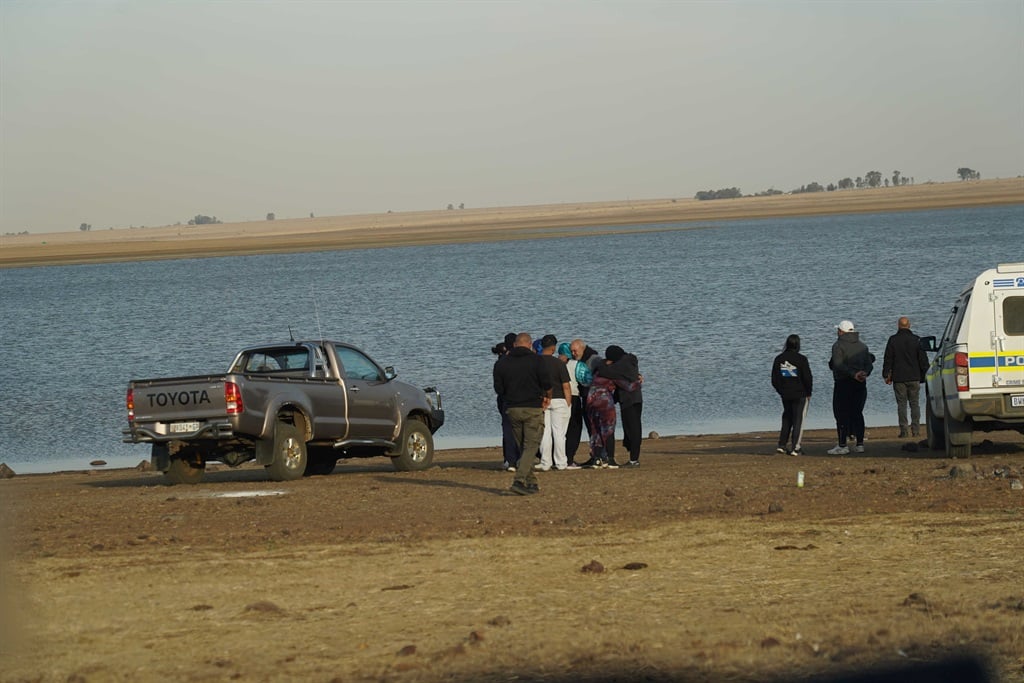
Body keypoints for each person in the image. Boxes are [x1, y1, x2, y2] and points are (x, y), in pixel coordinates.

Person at [493, 333, 551, 494]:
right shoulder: (537, 360)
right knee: (531, 445)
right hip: (532, 407)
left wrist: (509, 398)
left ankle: (531, 482)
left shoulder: (501, 363)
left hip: (512, 408)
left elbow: (499, 389)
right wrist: (547, 397)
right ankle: (519, 481)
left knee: (523, 446)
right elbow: (546, 383)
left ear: (514, 345)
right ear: (530, 344)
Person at [583, 356, 642, 468]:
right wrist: (638, 382)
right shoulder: (612, 373)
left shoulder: (597, 371)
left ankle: (597, 459)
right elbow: (628, 387)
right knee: (608, 430)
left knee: (596, 431)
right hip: (604, 402)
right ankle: (610, 460)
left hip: (591, 401)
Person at [828, 320, 875, 455]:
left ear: (841, 332)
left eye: (838, 330)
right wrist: (864, 373)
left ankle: (843, 445)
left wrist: (853, 374)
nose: (837, 332)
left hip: (843, 383)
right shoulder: (862, 346)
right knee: (857, 413)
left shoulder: (838, 346)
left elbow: (838, 365)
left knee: (841, 413)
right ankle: (860, 444)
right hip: (860, 383)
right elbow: (869, 364)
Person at [882, 317, 930, 438]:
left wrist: (886, 374)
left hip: (899, 378)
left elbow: (888, 359)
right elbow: (923, 360)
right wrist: (925, 375)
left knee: (901, 404)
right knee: (915, 404)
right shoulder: (916, 340)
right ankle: (916, 430)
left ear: (898, 326)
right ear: (909, 325)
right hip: (914, 377)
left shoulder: (893, 340)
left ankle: (904, 431)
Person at [600, 345, 644, 467]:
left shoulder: (620, 365)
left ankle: (634, 460)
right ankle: (634, 458)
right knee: (634, 427)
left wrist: (604, 362)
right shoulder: (631, 360)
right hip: (637, 398)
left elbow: (604, 371)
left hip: (628, 400)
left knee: (632, 429)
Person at [771, 334, 813, 456]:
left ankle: (782, 445)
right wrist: (809, 392)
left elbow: (774, 379)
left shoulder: (779, 359)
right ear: (798, 345)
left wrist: (781, 391)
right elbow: (807, 377)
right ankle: (796, 447)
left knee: (787, 417)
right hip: (800, 394)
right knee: (798, 419)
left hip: (786, 394)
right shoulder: (801, 359)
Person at [537, 334, 573, 471]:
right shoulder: (558, 363)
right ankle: (561, 462)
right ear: (553, 348)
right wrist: (568, 402)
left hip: (542, 399)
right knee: (559, 433)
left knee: (545, 433)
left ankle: (546, 462)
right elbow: (566, 385)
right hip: (559, 399)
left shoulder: (536, 362)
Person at [492, 333, 520, 471]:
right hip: (520, 399)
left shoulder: (500, 363)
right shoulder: (522, 360)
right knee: (521, 429)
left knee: (507, 429)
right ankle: (519, 458)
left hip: (505, 399)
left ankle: (509, 460)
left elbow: (498, 387)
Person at [557, 342, 585, 465]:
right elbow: (585, 380)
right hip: (573, 397)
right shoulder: (577, 364)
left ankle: (558, 457)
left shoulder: (555, 364)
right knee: (574, 428)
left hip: (559, 397)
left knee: (561, 429)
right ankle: (569, 458)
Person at [570, 338, 601, 437]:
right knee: (589, 426)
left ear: (582, 348)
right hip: (584, 397)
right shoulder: (576, 361)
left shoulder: (594, 360)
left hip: (594, 397)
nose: (573, 353)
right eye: (571, 351)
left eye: (575, 351)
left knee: (595, 426)